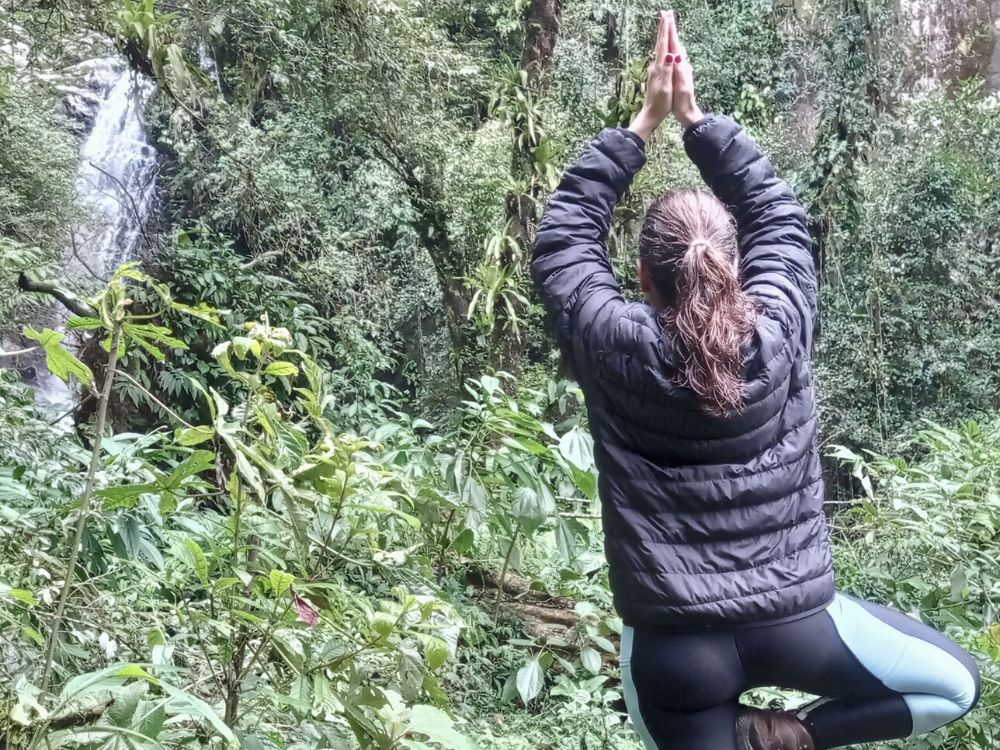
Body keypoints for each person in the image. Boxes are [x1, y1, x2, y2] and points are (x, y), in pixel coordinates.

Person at [531, 10, 981, 750]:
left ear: (641, 276)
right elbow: (780, 219)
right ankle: (794, 740)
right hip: (798, 627)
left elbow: (562, 240)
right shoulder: (777, 328)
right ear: (735, 266)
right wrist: (696, 119)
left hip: (675, 655)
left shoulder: (608, 342)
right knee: (952, 684)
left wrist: (642, 125)